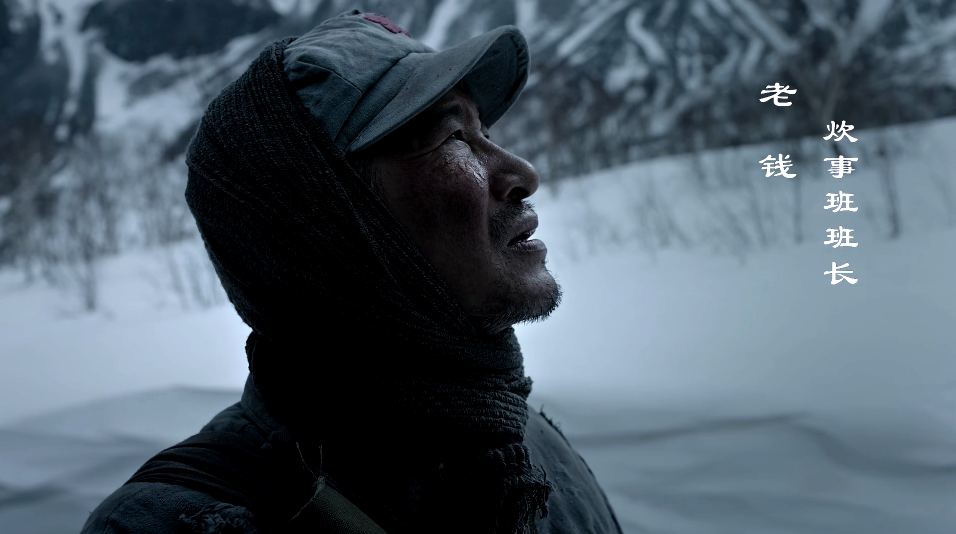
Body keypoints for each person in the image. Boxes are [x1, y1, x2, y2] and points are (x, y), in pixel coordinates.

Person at [80, 9, 622, 534]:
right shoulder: (177, 521)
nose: (523, 173)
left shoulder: (522, 443)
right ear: (330, 231)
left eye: (484, 129)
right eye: (453, 138)